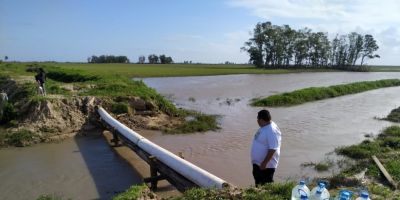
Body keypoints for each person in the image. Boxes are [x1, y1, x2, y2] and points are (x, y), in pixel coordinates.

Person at [251, 109, 282, 186]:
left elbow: (273, 149)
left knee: (266, 184)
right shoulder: (265, 126)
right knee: (258, 182)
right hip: (258, 164)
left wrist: (264, 163)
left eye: (257, 119)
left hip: (266, 166)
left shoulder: (272, 131)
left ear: (261, 120)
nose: (257, 121)